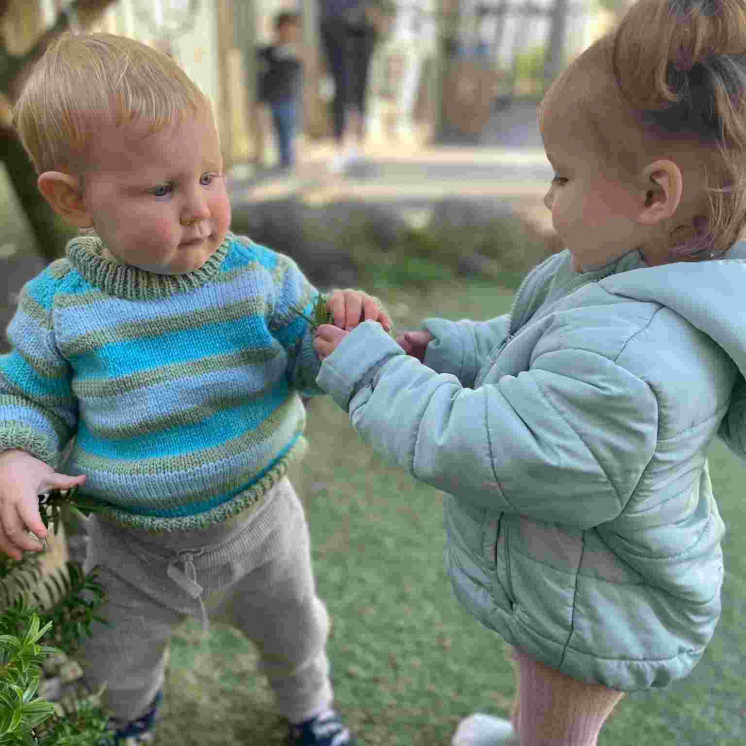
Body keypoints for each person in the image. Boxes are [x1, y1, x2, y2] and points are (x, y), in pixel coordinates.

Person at [313, 0, 746, 743]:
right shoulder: (630, 269)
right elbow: (531, 344)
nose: (547, 197)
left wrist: (375, 374)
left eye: (562, 176)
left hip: (599, 609)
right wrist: (442, 350)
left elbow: (485, 443)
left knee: (557, 727)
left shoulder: (635, 364)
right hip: (570, 578)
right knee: (539, 708)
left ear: (655, 194)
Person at [1, 32, 392, 746]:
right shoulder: (60, 306)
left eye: (210, 176)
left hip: (263, 526)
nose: (199, 208)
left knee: (296, 628)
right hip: (130, 547)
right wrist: (18, 457)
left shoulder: (257, 275)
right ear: (71, 198)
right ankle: (130, 721)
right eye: (162, 188)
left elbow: (310, 357)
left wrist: (341, 326)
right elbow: (26, 398)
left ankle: (311, 710)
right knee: (113, 663)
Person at [317, 0, 378, 174]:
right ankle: (341, 148)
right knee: (341, 88)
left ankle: (357, 147)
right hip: (335, 25)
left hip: (361, 26)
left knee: (359, 88)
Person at [257, 11, 304, 170]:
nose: (288, 32)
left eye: (291, 29)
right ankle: (283, 160)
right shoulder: (269, 51)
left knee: (288, 129)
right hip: (273, 97)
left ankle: (287, 161)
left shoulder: (294, 51)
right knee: (277, 130)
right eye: (285, 28)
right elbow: (264, 74)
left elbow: (297, 72)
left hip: (288, 97)